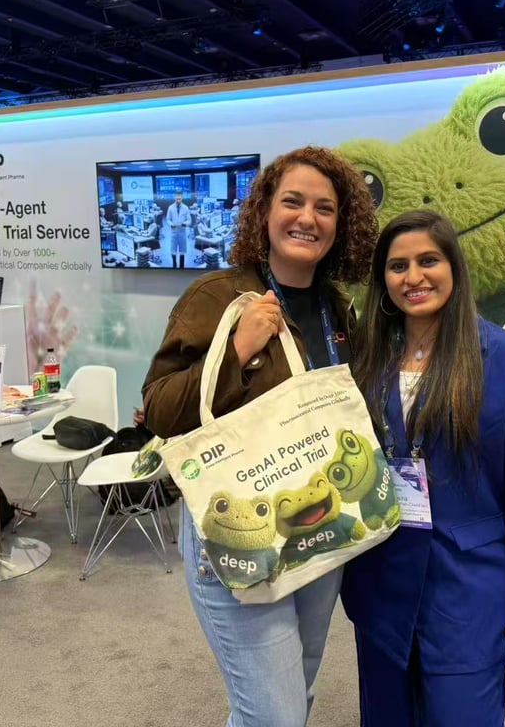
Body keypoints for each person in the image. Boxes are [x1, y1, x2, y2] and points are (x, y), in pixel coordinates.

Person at [142, 146, 378, 727]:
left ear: (340, 225)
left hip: (321, 520)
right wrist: (239, 350)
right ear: (264, 213)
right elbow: (159, 409)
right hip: (238, 526)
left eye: (325, 208)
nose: (308, 218)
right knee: (274, 713)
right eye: (292, 201)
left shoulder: (337, 310)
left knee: (290, 694)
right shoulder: (218, 297)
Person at [341, 210, 505, 726]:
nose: (413, 276)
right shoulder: (369, 356)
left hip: (467, 585)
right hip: (382, 581)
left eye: (428, 260)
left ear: (454, 267)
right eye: (397, 266)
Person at [166, 190, 191, 268]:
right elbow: (168, 219)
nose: (178, 200)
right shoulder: (170, 207)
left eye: (179, 199)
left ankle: (182, 267)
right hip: (174, 231)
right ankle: (174, 265)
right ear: (175, 197)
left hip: (182, 232)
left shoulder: (186, 208)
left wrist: (185, 223)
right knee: (173, 249)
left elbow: (189, 220)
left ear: (182, 198)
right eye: (177, 199)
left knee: (182, 250)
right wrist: (171, 224)